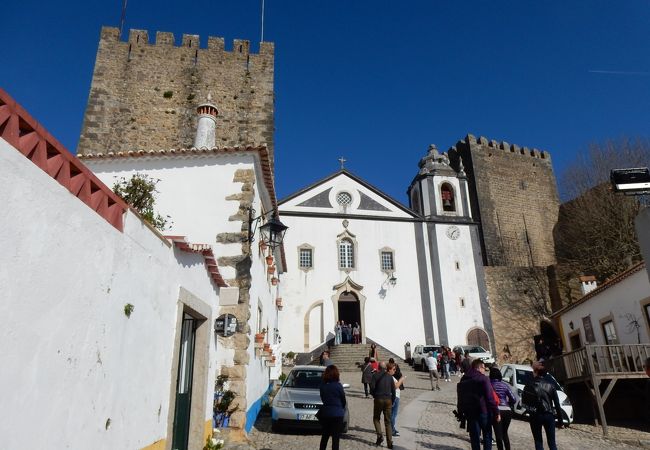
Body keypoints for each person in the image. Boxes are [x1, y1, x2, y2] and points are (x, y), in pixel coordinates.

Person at [457, 359, 500, 450]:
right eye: (484, 368)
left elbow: (460, 397)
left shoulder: (463, 379)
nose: (484, 371)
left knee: (474, 437)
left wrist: (460, 412)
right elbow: (490, 398)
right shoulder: (483, 379)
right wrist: (496, 412)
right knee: (487, 435)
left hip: (470, 413)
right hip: (483, 411)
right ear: (479, 367)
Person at [521, 361, 563, 450]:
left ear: (536, 372)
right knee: (552, 442)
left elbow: (524, 401)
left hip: (535, 415)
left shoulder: (528, 385)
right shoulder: (550, 385)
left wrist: (529, 411)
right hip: (549, 415)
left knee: (538, 441)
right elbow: (557, 404)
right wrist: (560, 421)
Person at [319, 365, 347, 450]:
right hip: (337, 414)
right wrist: (340, 407)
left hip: (326, 413)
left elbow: (323, 398)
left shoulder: (323, 386)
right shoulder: (338, 386)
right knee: (335, 439)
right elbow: (343, 399)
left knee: (325, 437)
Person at [490, 367, 517, 450]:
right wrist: (507, 404)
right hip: (507, 411)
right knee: (505, 433)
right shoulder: (505, 385)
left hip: (496, 410)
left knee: (498, 435)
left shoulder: (489, 385)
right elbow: (514, 399)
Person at [371, 361, 396, 449]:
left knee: (376, 418)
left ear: (378, 367)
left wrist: (375, 395)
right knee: (388, 422)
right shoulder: (390, 377)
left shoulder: (375, 375)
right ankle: (390, 442)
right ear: (385, 368)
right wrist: (392, 401)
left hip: (379, 398)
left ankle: (380, 435)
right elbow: (393, 390)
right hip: (388, 399)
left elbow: (372, 388)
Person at [388, 359, 406, 437]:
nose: (395, 371)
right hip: (394, 397)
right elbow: (395, 386)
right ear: (389, 370)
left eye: (395, 369)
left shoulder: (390, 376)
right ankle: (392, 430)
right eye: (394, 369)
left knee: (393, 414)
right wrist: (401, 380)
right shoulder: (390, 377)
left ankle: (392, 429)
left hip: (395, 396)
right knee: (393, 414)